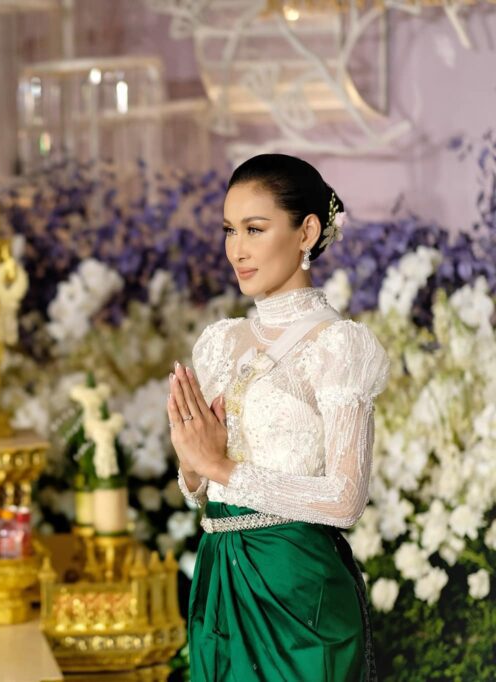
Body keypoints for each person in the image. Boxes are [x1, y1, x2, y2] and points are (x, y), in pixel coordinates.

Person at [168, 153, 389, 681]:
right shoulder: (220, 342)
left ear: (306, 231)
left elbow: (346, 499)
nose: (237, 250)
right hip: (220, 577)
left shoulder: (339, 346)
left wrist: (220, 468)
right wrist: (193, 466)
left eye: (254, 229)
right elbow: (202, 487)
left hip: (300, 593)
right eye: (229, 230)